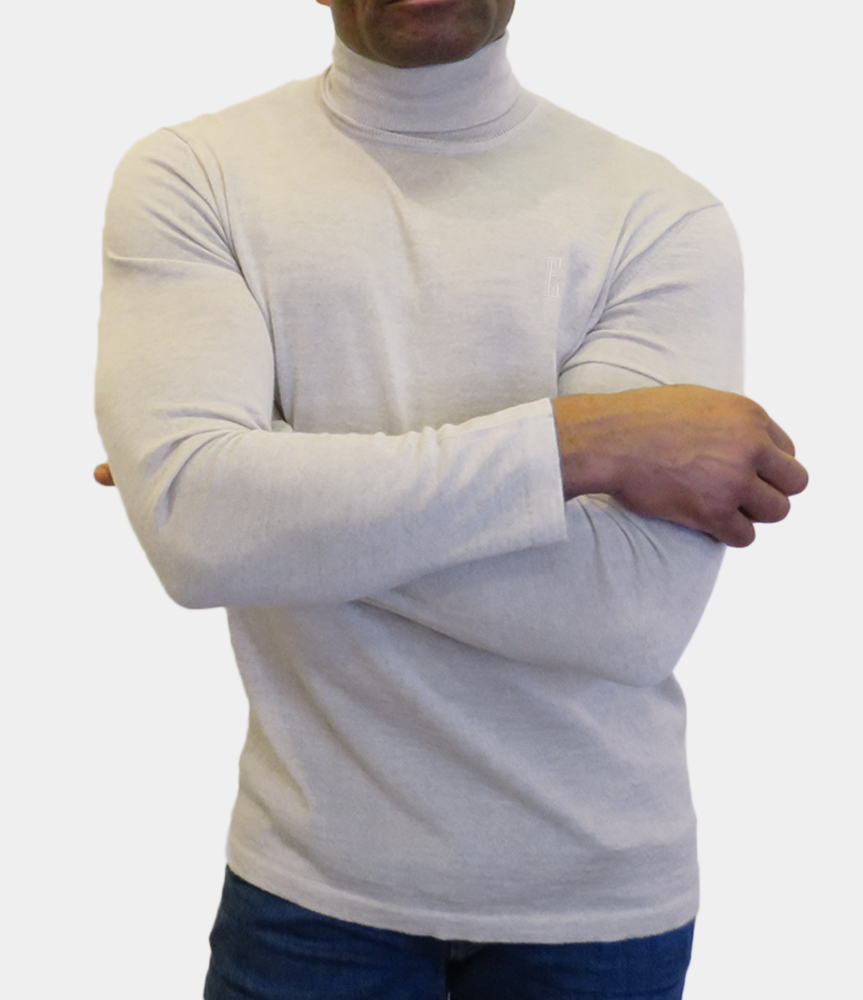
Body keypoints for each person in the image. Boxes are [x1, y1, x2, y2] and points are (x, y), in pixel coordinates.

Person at [94, 1, 808, 997]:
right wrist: (584, 442)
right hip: (310, 887)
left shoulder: (657, 215)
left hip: (595, 909)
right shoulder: (194, 176)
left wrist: (267, 507)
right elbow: (200, 531)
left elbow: (624, 612)